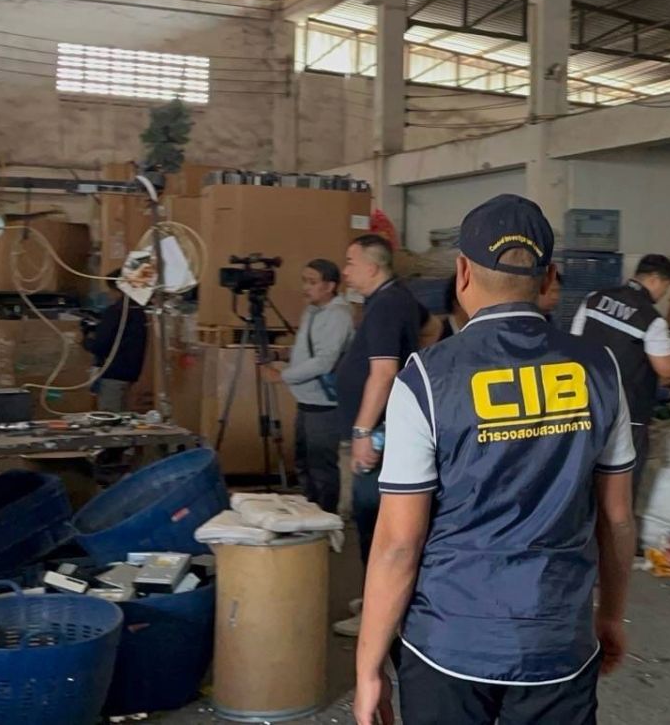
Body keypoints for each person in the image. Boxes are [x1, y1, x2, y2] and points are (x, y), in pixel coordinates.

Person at [354, 194, 637, 725]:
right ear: (549, 278)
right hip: (559, 638)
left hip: (449, 643)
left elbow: (398, 544)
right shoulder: (600, 369)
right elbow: (617, 517)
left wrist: (368, 667)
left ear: (462, 273)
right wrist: (611, 615)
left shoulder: (426, 379)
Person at [571, 254, 670, 505]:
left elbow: (574, 347)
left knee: (583, 478)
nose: (664, 295)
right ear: (655, 280)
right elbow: (667, 369)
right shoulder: (651, 319)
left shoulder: (593, 299)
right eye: (666, 288)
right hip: (627, 415)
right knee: (621, 489)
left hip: (586, 407)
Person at [334, 233, 427, 637]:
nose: (345, 271)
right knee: (373, 522)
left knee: (375, 524)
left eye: (350, 263)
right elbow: (431, 325)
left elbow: (384, 372)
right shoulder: (393, 299)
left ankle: (379, 614)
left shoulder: (388, 304)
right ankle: (378, 598)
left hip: (378, 436)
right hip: (384, 430)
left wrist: (362, 431)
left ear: (372, 267)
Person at [264, 259, 353, 514]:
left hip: (325, 403)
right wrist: (283, 355)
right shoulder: (313, 311)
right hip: (307, 401)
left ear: (330, 286)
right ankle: (309, 513)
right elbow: (309, 350)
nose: (306, 287)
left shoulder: (337, 316)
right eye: (304, 281)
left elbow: (324, 361)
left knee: (321, 465)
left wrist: (282, 376)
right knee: (304, 461)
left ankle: (326, 518)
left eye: (312, 282)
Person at [87, 269, 148, 413]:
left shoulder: (116, 312)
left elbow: (101, 345)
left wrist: (85, 341)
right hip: (131, 375)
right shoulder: (139, 312)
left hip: (112, 375)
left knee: (110, 417)